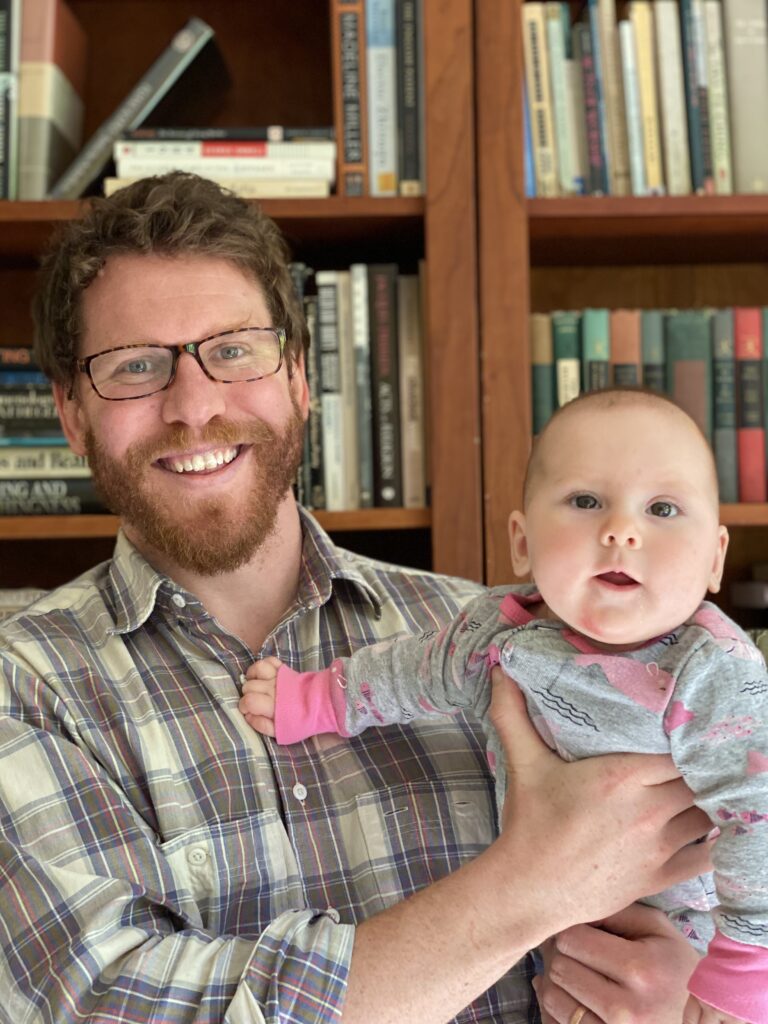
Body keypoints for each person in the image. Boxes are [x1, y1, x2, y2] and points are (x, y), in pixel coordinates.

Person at [0, 172, 711, 1024]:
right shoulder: (24, 688)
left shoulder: (499, 639)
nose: (194, 406)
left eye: (233, 350)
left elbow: (704, 861)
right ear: (72, 416)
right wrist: (531, 885)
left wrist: (691, 999)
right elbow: (108, 1006)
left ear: (299, 376)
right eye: (135, 368)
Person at [241, 388, 768, 1024]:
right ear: (522, 542)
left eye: (662, 508)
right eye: (585, 501)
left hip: (696, 942)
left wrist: (743, 962)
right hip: (548, 941)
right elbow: (413, 671)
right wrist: (318, 697)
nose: (621, 530)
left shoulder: (711, 669)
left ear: (715, 558)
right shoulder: (501, 631)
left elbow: (757, 816)